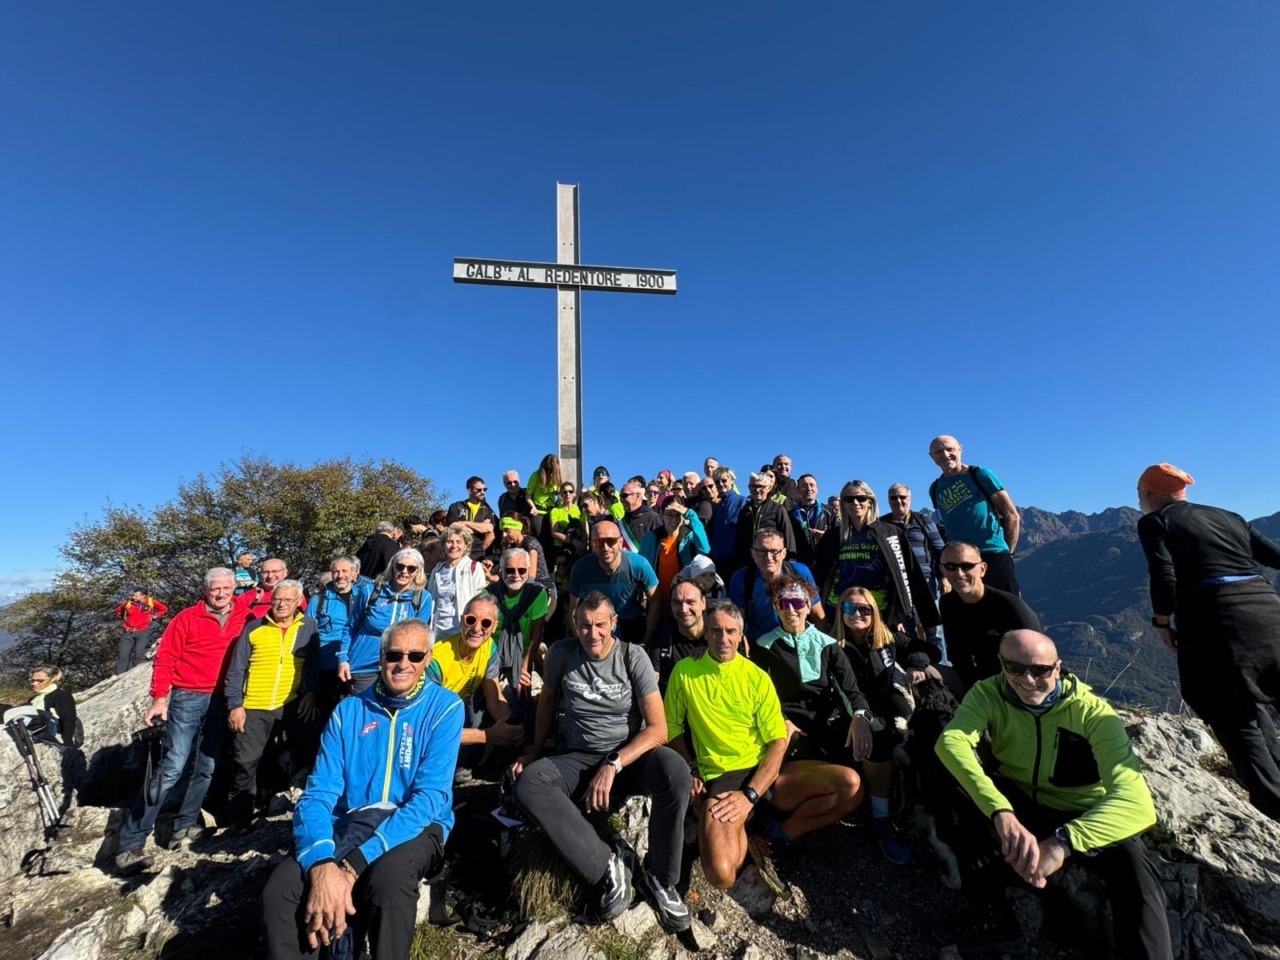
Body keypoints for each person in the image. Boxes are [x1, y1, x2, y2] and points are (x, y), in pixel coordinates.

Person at [935, 630, 1172, 960]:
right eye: (1015, 668)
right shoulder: (989, 693)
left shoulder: (1093, 715)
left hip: (1081, 812)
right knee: (954, 787)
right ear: (1001, 665)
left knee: (1136, 870)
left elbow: (1138, 804)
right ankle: (992, 916)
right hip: (1018, 798)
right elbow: (951, 743)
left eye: (1040, 670)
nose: (1027, 680)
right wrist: (1000, 811)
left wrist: (1063, 843)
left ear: (1058, 668)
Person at [262, 619, 463, 960]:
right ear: (381, 655)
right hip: (352, 822)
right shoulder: (349, 710)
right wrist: (323, 864)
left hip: (417, 825)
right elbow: (318, 794)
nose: (404, 664)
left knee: (388, 880)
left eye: (415, 656)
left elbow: (430, 797)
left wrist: (352, 866)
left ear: (428, 659)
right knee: (281, 889)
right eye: (394, 654)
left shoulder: (445, 708)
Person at [511, 593, 692, 932]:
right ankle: (607, 868)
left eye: (599, 625)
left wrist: (613, 763)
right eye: (584, 625)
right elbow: (547, 700)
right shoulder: (562, 654)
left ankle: (662, 880)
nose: (592, 634)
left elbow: (659, 729)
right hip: (577, 756)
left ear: (613, 624)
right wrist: (534, 750)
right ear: (574, 624)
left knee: (676, 771)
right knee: (529, 783)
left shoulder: (632, 656)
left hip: (629, 757)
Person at [664, 601, 853, 893]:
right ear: (706, 633)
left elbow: (778, 740)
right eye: (715, 631)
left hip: (766, 772)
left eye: (730, 631)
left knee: (849, 786)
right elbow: (673, 728)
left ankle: (773, 835)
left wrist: (750, 795)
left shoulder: (756, 677)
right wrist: (690, 768)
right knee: (721, 875)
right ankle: (745, 828)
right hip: (723, 777)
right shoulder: (684, 672)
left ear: (741, 635)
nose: (722, 638)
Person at [1137, 462, 1280, 821]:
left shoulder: (1155, 522)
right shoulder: (1229, 516)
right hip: (1268, 611)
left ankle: (1274, 801)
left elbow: (1163, 573)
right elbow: (1275, 557)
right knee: (1259, 699)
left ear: (1149, 494)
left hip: (1215, 619)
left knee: (1227, 711)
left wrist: (1161, 621)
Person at [115, 568, 250, 874]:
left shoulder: (244, 614)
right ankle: (131, 843)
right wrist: (159, 697)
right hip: (187, 697)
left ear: (234, 589)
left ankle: (184, 826)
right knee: (172, 767)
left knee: (207, 766)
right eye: (215, 588)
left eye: (227, 588)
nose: (221, 593)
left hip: (222, 700)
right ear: (205, 590)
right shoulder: (186, 618)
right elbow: (166, 658)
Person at [833, 586, 930, 864]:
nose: (858, 614)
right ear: (841, 611)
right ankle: (880, 818)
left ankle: (908, 798)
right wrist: (860, 716)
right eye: (850, 608)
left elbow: (919, 647)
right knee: (878, 737)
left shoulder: (886, 639)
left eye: (865, 609)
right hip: (851, 712)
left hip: (883, 709)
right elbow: (846, 691)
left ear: (875, 612)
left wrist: (915, 664)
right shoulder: (835, 647)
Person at [224, 580, 320, 831]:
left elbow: (312, 664)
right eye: (278, 599)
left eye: (288, 600)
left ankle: (300, 810)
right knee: (245, 761)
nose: (281, 604)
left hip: (292, 704)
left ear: (299, 602)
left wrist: (311, 693)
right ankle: (239, 819)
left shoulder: (309, 627)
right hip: (254, 705)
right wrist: (235, 705)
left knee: (308, 752)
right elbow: (237, 669)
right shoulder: (254, 628)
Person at [813, 481, 939, 639]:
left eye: (861, 498)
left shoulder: (890, 533)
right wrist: (821, 616)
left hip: (878, 612)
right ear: (843, 504)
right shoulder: (833, 536)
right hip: (839, 611)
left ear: (870, 501)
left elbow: (901, 575)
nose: (855, 503)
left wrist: (896, 612)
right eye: (849, 499)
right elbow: (825, 576)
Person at [427, 595, 525, 775]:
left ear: (494, 627)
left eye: (486, 623)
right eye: (471, 620)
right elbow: (429, 728)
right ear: (462, 621)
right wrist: (489, 735)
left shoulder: (489, 648)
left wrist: (514, 731)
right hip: (433, 723)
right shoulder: (436, 660)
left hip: (456, 707)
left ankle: (468, 761)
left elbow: (494, 700)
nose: (477, 628)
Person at [927, 436, 1022, 595]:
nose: (945, 454)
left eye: (950, 449)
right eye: (939, 452)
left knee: (1008, 610)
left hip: (993, 554)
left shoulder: (979, 474)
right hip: (960, 562)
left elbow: (1011, 515)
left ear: (960, 449)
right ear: (932, 456)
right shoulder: (935, 488)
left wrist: (1008, 554)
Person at [938, 542, 1041, 689]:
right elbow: (958, 655)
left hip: (1018, 682)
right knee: (927, 673)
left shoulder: (1010, 606)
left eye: (967, 566)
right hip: (978, 683)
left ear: (982, 569)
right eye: (951, 567)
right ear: (943, 570)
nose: (959, 573)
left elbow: (1038, 658)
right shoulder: (948, 604)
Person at [342, 548, 433, 694]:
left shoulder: (423, 598)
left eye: (411, 568)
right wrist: (343, 659)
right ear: (392, 567)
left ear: (417, 572)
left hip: (399, 666)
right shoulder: (370, 591)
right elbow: (350, 627)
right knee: (364, 711)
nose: (404, 571)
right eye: (400, 566)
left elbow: (419, 638)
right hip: (364, 664)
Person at [568, 520, 661, 646]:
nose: (605, 548)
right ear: (593, 545)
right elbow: (573, 610)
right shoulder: (581, 568)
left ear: (620, 542)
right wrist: (582, 642)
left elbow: (655, 600)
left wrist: (647, 639)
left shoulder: (638, 565)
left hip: (632, 624)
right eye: (599, 542)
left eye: (611, 541)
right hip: (596, 625)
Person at [882, 483, 947, 657]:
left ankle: (941, 670)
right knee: (907, 629)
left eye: (902, 497)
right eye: (894, 498)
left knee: (935, 629)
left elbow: (939, 549)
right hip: (898, 584)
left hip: (926, 582)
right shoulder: (882, 524)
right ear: (888, 500)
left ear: (910, 499)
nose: (898, 501)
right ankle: (916, 666)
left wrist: (944, 577)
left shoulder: (923, 520)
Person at [729, 529, 823, 644]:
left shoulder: (799, 572)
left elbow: (817, 614)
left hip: (796, 640)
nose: (768, 557)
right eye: (761, 551)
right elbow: (738, 621)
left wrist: (825, 645)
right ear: (753, 553)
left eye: (774, 551)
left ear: (784, 553)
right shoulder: (742, 579)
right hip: (758, 643)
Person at [306, 556, 370, 714]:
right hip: (327, 666)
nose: (340, 575)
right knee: (328, 713)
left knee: (356, 712)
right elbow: (307, 633)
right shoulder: (318, 600)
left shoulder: (365, 596)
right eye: (336, 571)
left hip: (357, 665)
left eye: (344, 571)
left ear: (354, 574)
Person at [485, 547, 550, 699]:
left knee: (529, 692)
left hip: (525, 655)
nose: (516, 575)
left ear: (528, 570)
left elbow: (537, 635)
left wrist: (524, 669)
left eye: (521, 570)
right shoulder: (488, 595)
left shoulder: (537, 594)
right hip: (493, 656)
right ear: (501, 570)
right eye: (510, 570)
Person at [639, 500, 711, 606]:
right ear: (662, 515)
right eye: (669, 514)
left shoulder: (690, 537)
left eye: (678, 515)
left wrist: (690, 515)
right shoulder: (649, 538)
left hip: (683, 600)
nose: (673, 519)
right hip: (656, 600)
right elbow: (641, 567)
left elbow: (704, 549)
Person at [427, 525, 489, 638]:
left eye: (459, 542)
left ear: (466, 546)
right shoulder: (437, 569)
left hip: (460, 629)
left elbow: (479, 601)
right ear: (443, 545)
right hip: (437, 630)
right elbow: (430, 599)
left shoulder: (474, 567)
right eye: (449, 542)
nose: (454, 546)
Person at [651, 578, 709, 693]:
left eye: (690, 602)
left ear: (703, 603)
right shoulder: (662, 643)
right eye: (677, 603)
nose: (684, 609)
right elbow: (651, 687)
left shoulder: (720, 637)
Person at [733, 472, 797, 571]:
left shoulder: (778, 509)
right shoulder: (744, 511)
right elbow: (739, 538)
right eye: (753, 486)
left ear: (769, 488)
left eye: (761, 486)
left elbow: (788, 535)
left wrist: (790, 560)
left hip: (771, 561)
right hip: (748, 562)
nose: (757, 490)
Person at [3, 666, 78, 746]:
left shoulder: (61, 694)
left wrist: (67, 742)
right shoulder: (34, 698)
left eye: (40, 681)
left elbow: (69, 718)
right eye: (32, 680)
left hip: (48, 731)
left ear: (53, 679)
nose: (34, 684)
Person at [498, 513, 556, 611]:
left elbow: (531, 575)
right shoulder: (513, 546)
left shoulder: (530, 543)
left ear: (518, 527)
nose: (504, 535)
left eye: (507, 531)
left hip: (542, 590)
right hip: (525, 589)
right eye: (503, 531)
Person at [115, 589, 170, 675]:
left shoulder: (151, 602)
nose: (133, 597)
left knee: (139, 654)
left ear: (143, 596)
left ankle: (133, 674)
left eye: (136, 596)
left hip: (143, 631)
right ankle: (119, 675)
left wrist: (154, 616)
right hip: (128, 632)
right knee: (123, 655)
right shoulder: (128, 603)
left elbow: (163, 609)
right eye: (134, 595)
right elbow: (119, 611)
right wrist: (126, 620)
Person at [446, 477, 497, 562]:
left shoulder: (487, 509)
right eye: (479, 490)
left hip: (479, 554)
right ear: (469, 491)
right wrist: (480, 528)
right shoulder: (456, 506)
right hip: (458, 552)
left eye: (485, 489)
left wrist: (464, 523)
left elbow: (489, 528)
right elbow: (453, 527)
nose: (483, 492)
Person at [708, 467, 748, 574]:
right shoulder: (717, 508)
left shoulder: (743, 502)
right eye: (717, 481)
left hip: (737, 563)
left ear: (732, 480)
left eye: (724, 480)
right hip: (718, 562)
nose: (720, 484)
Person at [790, 474, 834, 568]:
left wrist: (825, 536)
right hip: (799, 565)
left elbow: (839, 536)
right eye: (804, 486)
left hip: (824, 564)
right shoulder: (790, 514)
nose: (809, 488)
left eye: (812, 485)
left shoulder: (829, 511)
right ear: (798, 490)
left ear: (817, 489)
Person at [355, 522, 401, 587]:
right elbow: (392, 568)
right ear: (391, 531)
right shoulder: (390, 545)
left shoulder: (364, 546)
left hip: (360, 585)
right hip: (378, 588)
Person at [549, 479, 586, 559]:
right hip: (561, 547)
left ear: (574, 494)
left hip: (578, 547)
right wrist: (573, 541)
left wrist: (584, 545)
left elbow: (583, 530)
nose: (568, 494)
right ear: (561, 495)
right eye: (565, 492)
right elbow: (554, 533)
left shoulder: (579, 510)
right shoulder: (555, 511)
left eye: (570, 491)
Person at [620, 480, 664, 547]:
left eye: (624, 495)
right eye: (620, 496)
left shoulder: (652, 518)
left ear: (637, 496)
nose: (621, 499)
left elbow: (660, 546)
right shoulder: (622, 522)